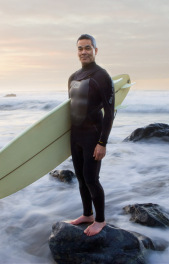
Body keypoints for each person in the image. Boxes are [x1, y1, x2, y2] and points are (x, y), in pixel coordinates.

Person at [68, 34, 115, 236]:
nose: (84, 52)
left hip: (92, 136)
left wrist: (102, 142)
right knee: (80, 177)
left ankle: (100, 220)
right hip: (75, 136)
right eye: (80, 48)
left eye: (88, 48)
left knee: (91, 179)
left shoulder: (102, 76)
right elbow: (72, 108)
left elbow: (110, 113)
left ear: (95, 50)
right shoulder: (73, 77)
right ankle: (87, 214)